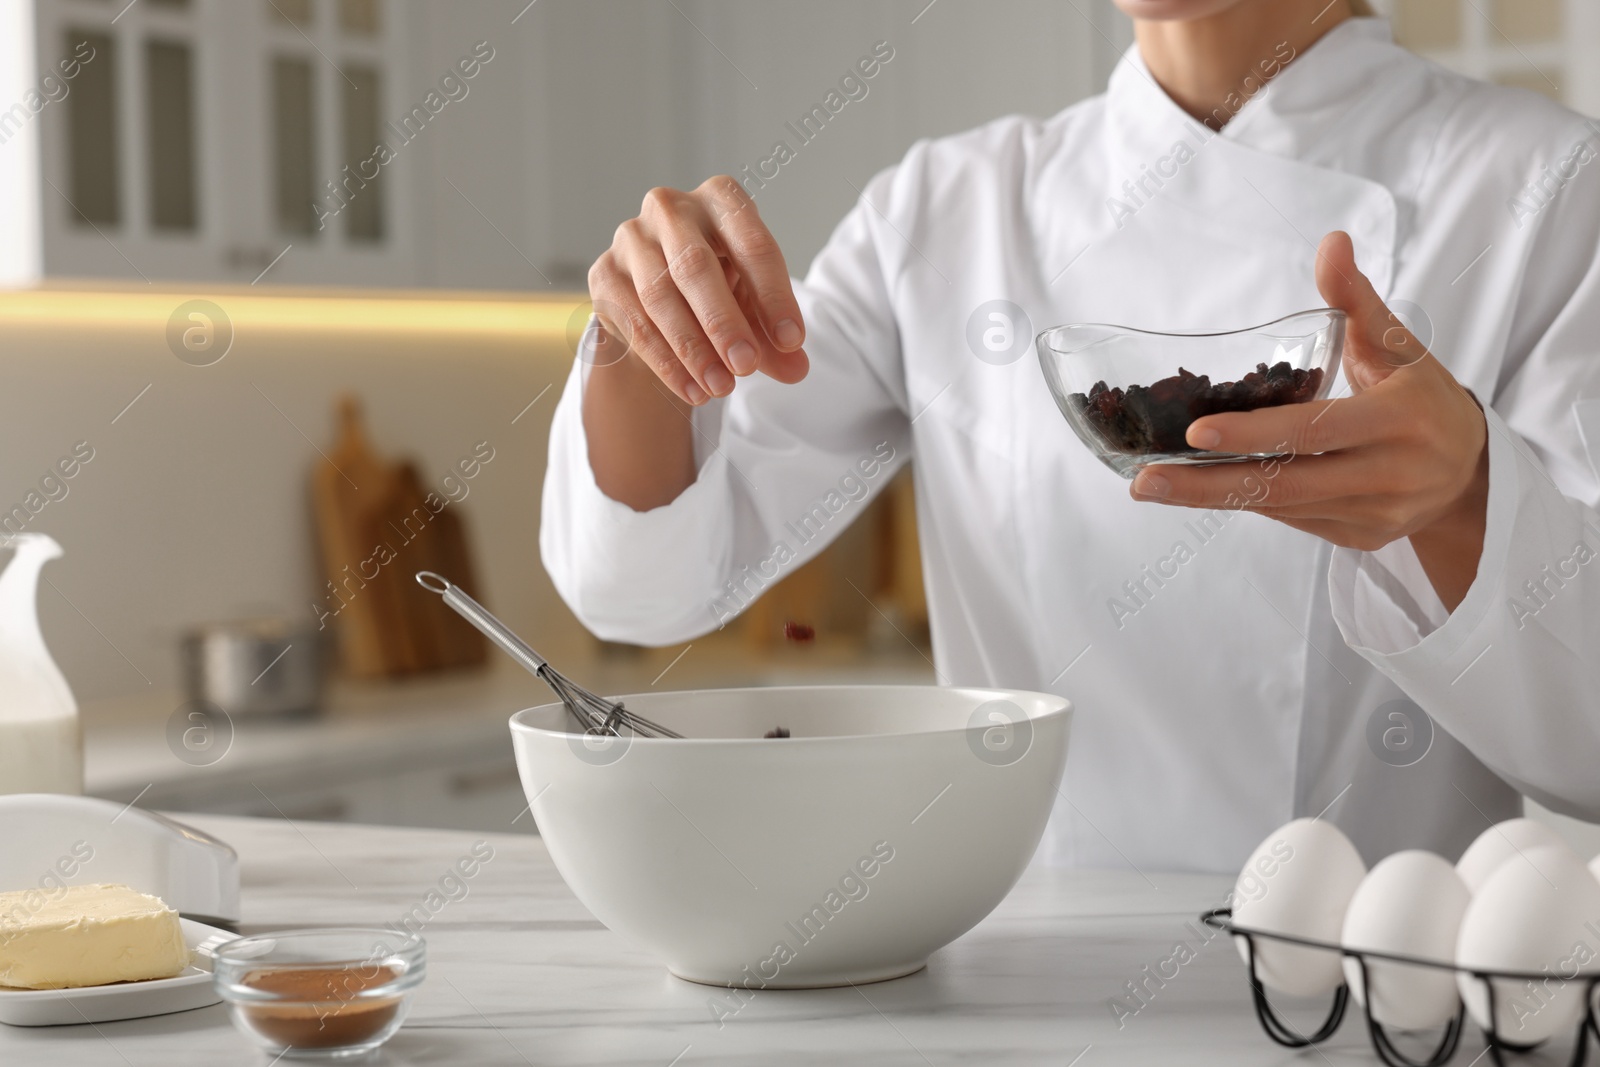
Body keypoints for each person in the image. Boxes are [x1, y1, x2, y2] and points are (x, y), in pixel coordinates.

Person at [542, 0, 1600, 872]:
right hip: (1021, 1000)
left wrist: (1466, 496)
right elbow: (649, 589)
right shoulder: (945, 208)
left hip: (1374, 1006)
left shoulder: (1545, 188)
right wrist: (643, 337)